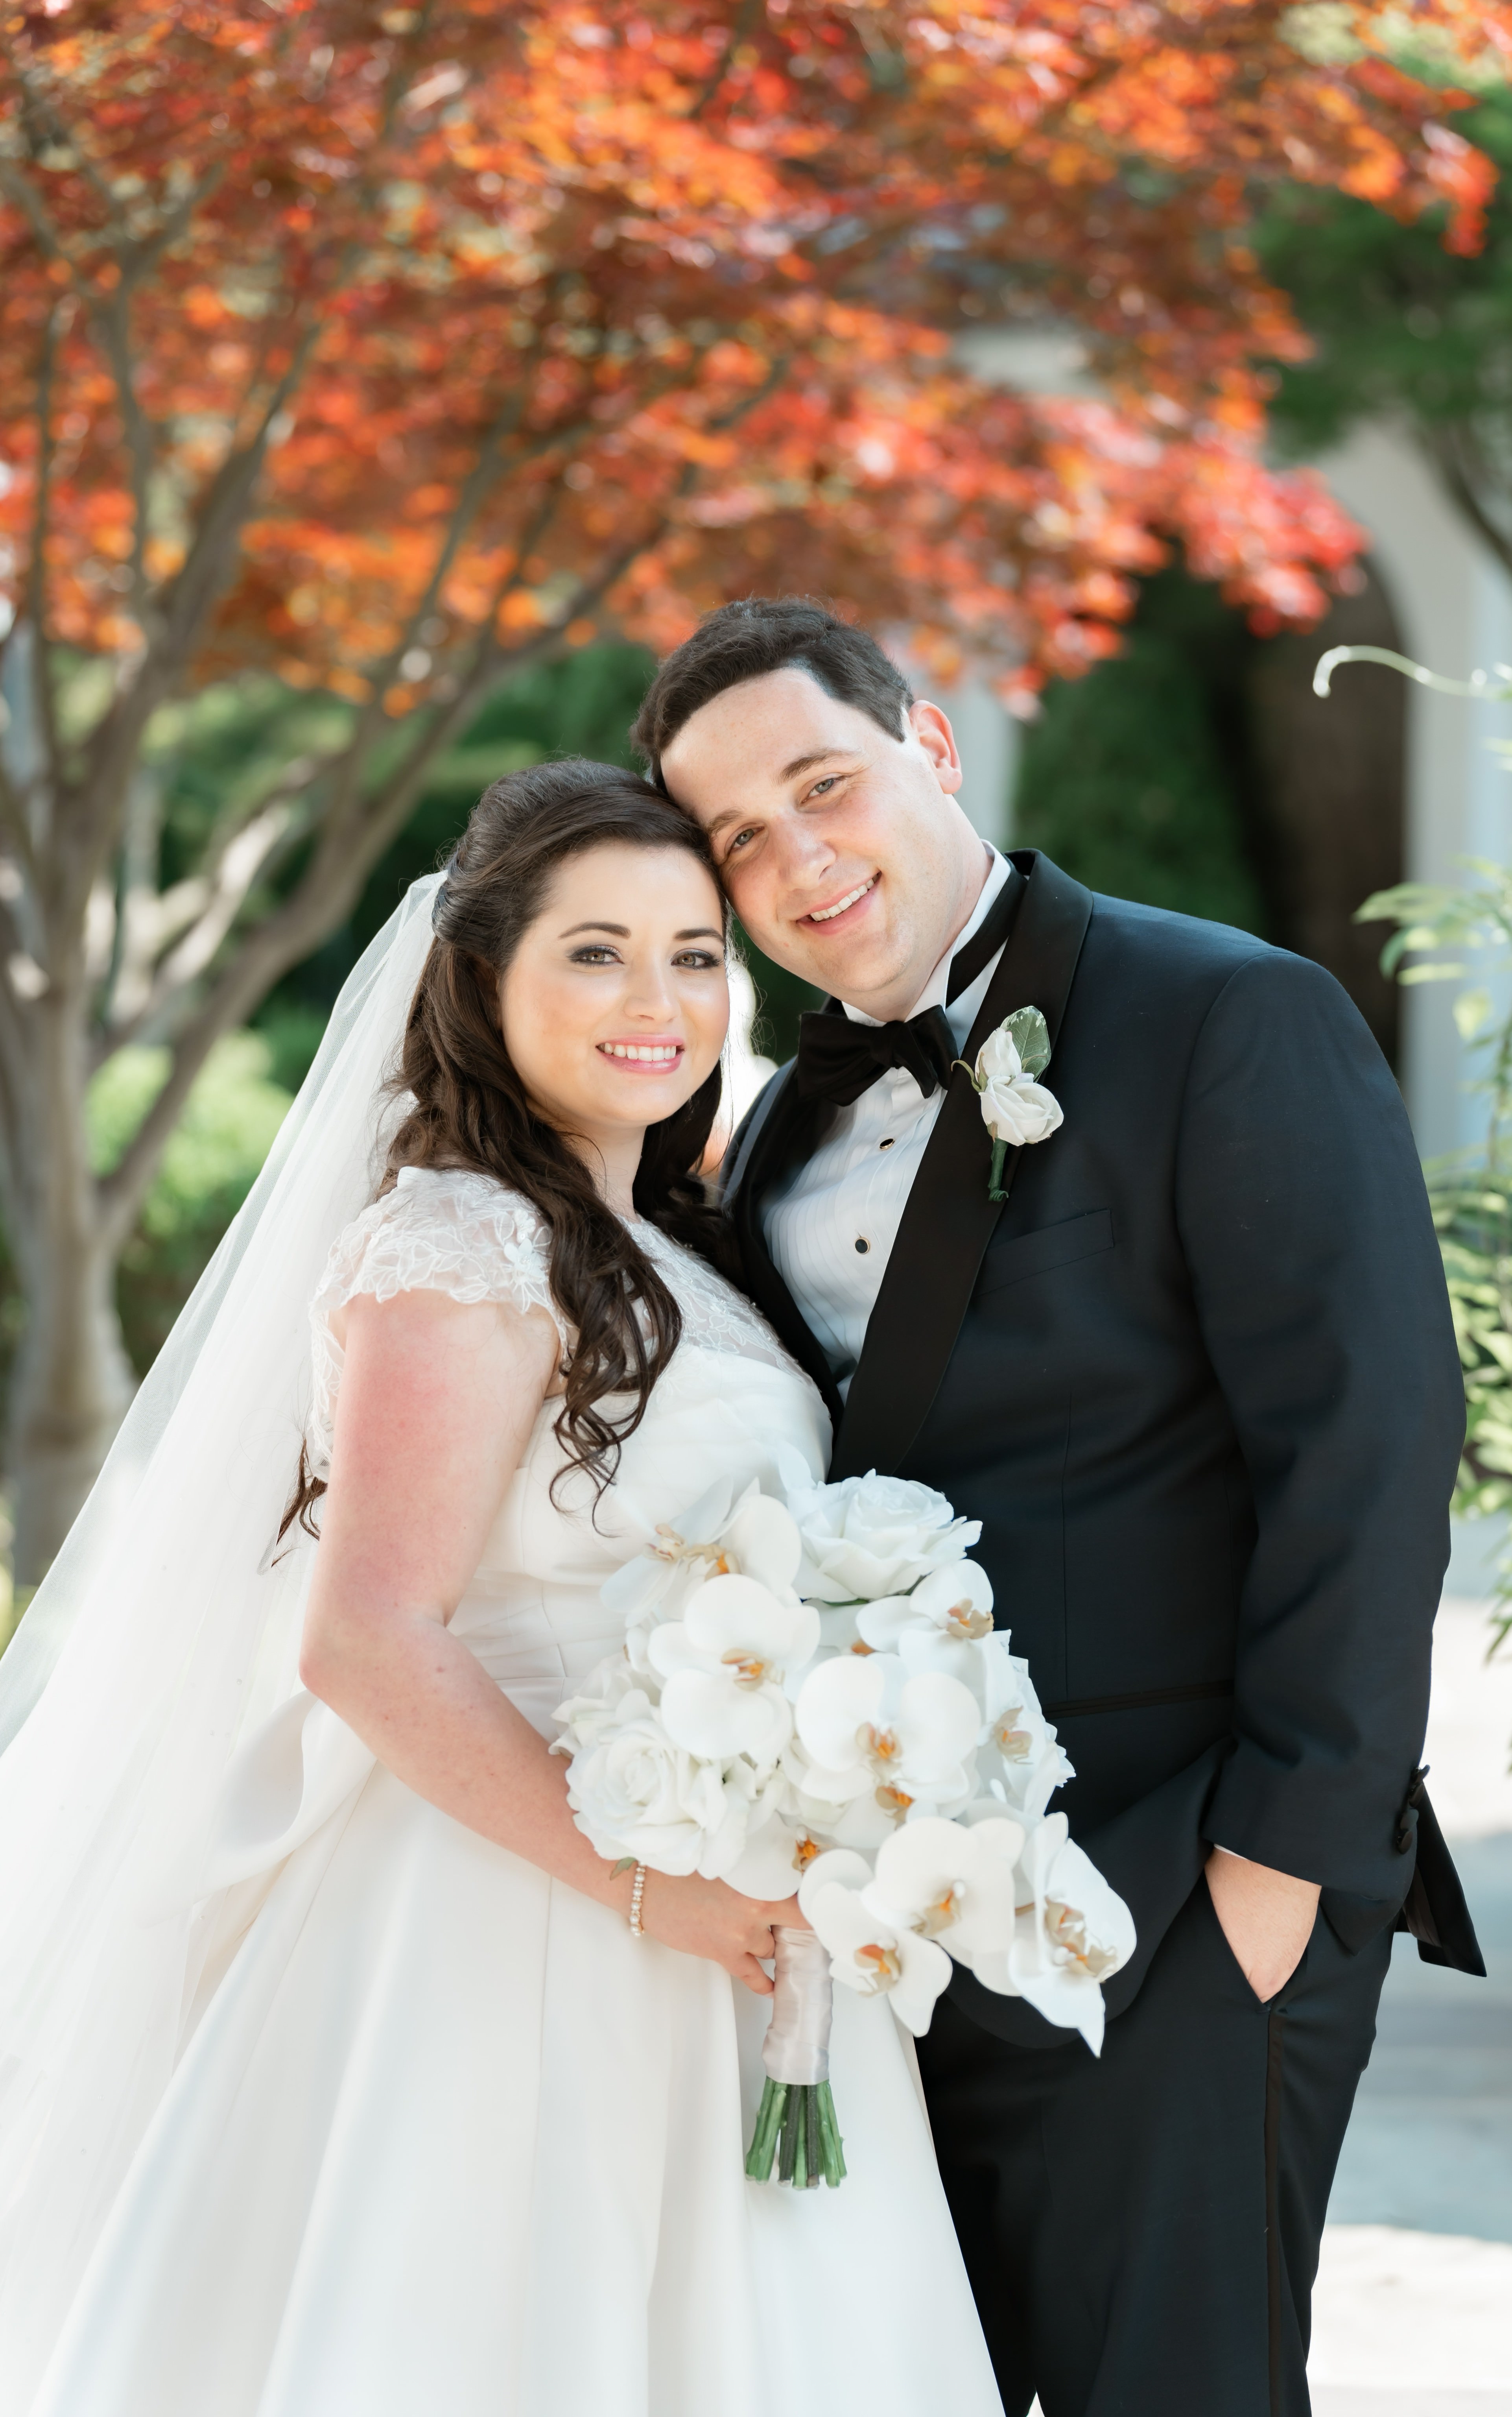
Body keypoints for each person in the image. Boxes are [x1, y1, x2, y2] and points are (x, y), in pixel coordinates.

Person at [0, 764, 1006, 2417]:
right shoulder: (459, 1244)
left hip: (725, 1925)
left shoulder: (672, 1239)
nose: (658, 998)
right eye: (595, 953)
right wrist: (644, 1896)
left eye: (694, 952)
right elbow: (368, 1636)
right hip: (507, 1915)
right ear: (482, 980)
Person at [636, 596, 1485, 2417]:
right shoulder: (775, 1126)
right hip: (902, 1930)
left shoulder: (1228, 1015)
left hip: (1182, 1900)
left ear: (930, 747)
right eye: (739, 841)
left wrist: (1275, 1874)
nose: (802, 859)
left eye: (825, 785)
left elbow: (1370, 1449)